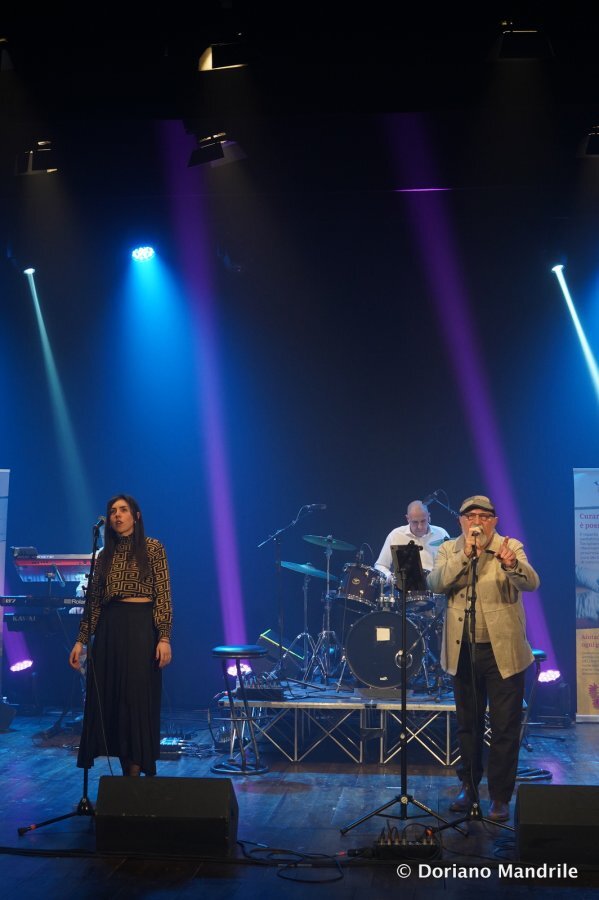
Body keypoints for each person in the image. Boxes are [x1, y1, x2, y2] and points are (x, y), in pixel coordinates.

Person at [427, 495, 539, 822]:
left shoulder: (509, 546)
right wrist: (465, 555)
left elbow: (531, 583)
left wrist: (511, 565)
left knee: (505, 727)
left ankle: (500, 796)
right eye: (470, 516)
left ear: (494, 521)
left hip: (503, 651)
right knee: (468, 725)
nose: (477, 521)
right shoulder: (449, 549)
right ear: (461, 521)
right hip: (463, 650)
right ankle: (469, 786)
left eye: (484, 516)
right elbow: (435, 583)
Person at [69, 494, 172, 776]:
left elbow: (163, 594)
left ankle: (134, 773)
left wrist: (164, 637)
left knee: (135, 698)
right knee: (113, 699)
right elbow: (93, 603)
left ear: (136, 516)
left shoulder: (153, 548)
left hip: (141, 628)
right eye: (113, 511)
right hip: (110, 630)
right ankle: (126, 774)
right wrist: (81, 640)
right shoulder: (104, 556)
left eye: (123, 510)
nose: (117, 515)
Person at [375, 499, 450, 582]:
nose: (420, 526)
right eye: (415, 522)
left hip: (437, 586)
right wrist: (389, 576)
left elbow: (451, 564)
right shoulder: (395, 535)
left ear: (429, 516)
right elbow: (380, 565)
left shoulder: (441, 534)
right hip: (406, 587)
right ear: (407, 519)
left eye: (423, 521)